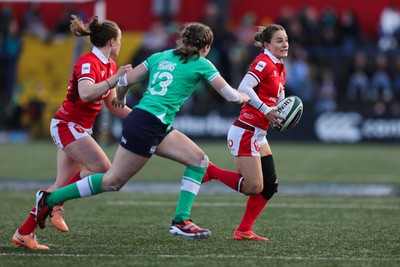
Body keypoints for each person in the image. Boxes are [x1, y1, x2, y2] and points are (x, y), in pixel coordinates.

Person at [34, 22, 249, 246]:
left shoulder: (160, 56)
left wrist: (122, 97)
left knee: (198, 160)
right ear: (205, 47)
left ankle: (181, 220)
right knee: (112, 181)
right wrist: (246, 97)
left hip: (153, 123)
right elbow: (231, 96)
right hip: (146, 125)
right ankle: (51, 198)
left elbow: (125, 80)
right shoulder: (202, 63)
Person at [12, 15, 132, 250]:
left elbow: (110, 103)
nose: (120, 44)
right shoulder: (88, 62)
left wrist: (141, 117)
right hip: (67, 125)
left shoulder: (109, 65)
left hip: (78, 128)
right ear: (112, 41)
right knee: (105, 169)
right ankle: (55, 203)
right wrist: (114, 80)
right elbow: (86, 94)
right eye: (119, 40)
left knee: (61, 185)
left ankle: (24, 232)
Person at [202, 24, 288, 241]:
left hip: (258, 133)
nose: (285, 43)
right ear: (267, 45)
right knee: (253, 187)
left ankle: (243, 231)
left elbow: (279, 99)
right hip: (246, 130)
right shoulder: (264, 61)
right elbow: (243, 88)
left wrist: (282, 114)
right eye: (279, 40)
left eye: (286, 39)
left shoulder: (279, 66)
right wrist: (267, 110)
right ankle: (211, 171)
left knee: (269, 187)